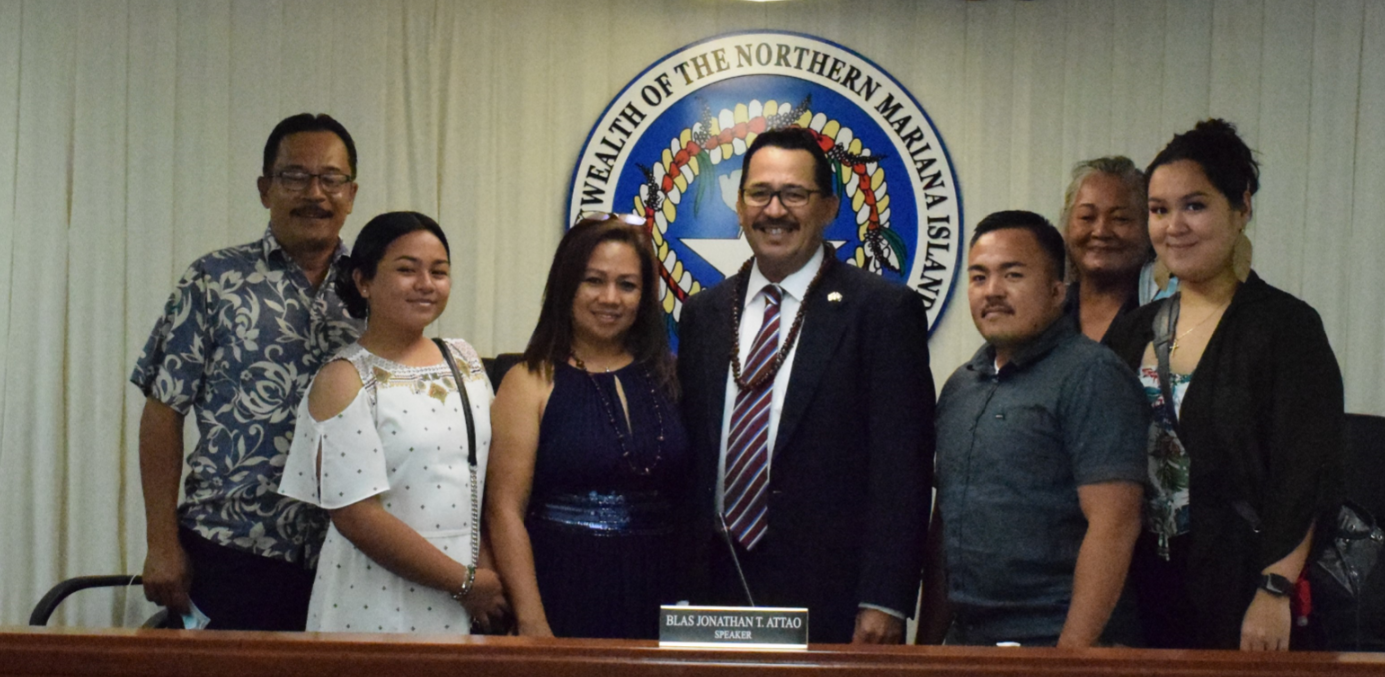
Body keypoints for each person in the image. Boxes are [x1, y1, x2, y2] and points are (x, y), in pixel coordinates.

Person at [676, 127, 937, 644]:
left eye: (794, 194)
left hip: (834, 599)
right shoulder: (703, 313)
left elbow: (901, 470)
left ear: (830, 208)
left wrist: (884, 599)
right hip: (715, 589)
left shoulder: (881, 312)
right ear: (739, 204)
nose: (775, 210)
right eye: (760, 193)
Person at [1102, 119, 1344, 651]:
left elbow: (1305, 472)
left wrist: (1274, 588)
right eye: (1160, 210)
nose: (1174, 227)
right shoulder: (1133, 327)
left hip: (1243, 583)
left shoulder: (1286, 327)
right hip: (1140, 582)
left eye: (1195, 205)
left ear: (1242, 208)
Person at [131, 113, 363, 630]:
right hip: (230, 548)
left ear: (351, 193)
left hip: (348, 557)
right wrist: (160, 543)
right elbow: (162, 412)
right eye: (295, 176)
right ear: (265, 189)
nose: (315, 193)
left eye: (331, 178)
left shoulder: (375, 290)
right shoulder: (213, 280)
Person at [277, 211, 508, 633]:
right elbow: (356, 516)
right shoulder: (343, 379)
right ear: (364, 281)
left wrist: (487, 581)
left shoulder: (464, 359)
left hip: (474, 599)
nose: (426, 284)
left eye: (439, 272)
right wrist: (464, 583)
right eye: (407, 270)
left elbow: (489, 481)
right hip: (375, 598)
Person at [923, 211, 1147, 648]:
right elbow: (945, 526)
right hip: (967, 643)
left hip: (1056, 642)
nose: (993, 292)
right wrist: (927, 649)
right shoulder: (961, 386)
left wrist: (1067, 659)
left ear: (1057, 290)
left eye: (1013, 274)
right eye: (979, 277)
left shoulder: (1092, 376)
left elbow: (1115, 524)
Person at [487, 214, 688, 639]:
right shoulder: (528, 381)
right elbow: (504, 510)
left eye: (628, 285)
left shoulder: (671, 377)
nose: (610, 298)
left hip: (663, 593)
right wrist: (531, 620)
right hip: (562, 589)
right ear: (566, 287)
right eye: (594, 280)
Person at [1059, 156, 1168, 342]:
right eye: (1087, 217)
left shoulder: (1169, 315)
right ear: (1067, 226)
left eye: (1120, 219)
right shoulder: (1045, 316)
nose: (1101, 232)